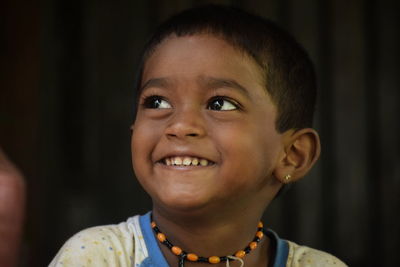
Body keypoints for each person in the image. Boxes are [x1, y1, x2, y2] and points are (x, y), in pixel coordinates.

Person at [50, 5, 346, 267]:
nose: (180, 125)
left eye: (220, 104)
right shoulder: (96, 257)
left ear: (292, 155)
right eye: (157, 102)